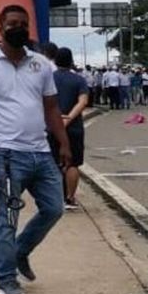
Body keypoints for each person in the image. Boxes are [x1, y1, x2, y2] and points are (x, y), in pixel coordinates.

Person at [0, 4, 72, 294]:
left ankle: (21, 251)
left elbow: (52, 108)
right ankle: (5, 279)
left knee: (54, 208)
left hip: (41, 151)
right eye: (11, 23)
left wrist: (63, 143)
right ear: (0, 29)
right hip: (7, 155)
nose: (18, 28)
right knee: (7, 218)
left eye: (23, 24)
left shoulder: (41, 64)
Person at [52, 48, 89, 210]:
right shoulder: (79, 80)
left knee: (52, 163)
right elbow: (83, 102)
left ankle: (54, 198)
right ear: (71, 61)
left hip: (51, 126)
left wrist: (58, 118)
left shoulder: (48, 79)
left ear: (55, 61)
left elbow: (43, 101)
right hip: (74, 128)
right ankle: (70, 197)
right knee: (73, 164)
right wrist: (68, 118)